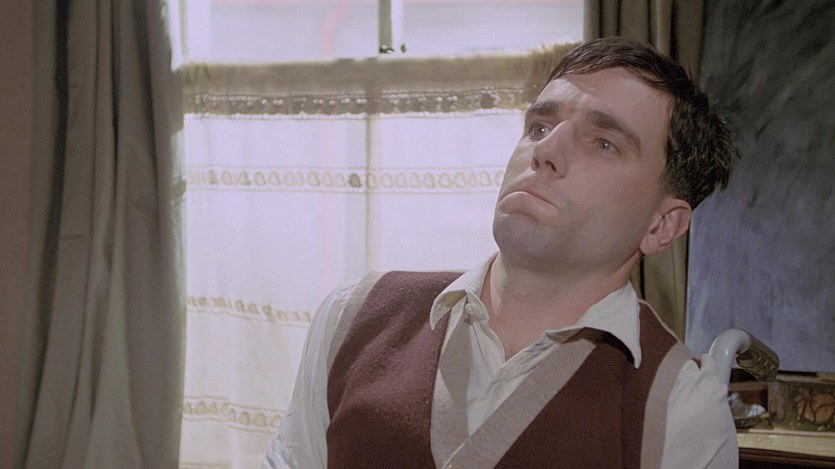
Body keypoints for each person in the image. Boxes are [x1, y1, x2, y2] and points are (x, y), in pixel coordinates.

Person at [263, 36, 740, 468]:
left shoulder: (681, 409)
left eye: (604, 143)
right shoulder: (354, 316)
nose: (545, 151)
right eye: (540, 127)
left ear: (661, 225)